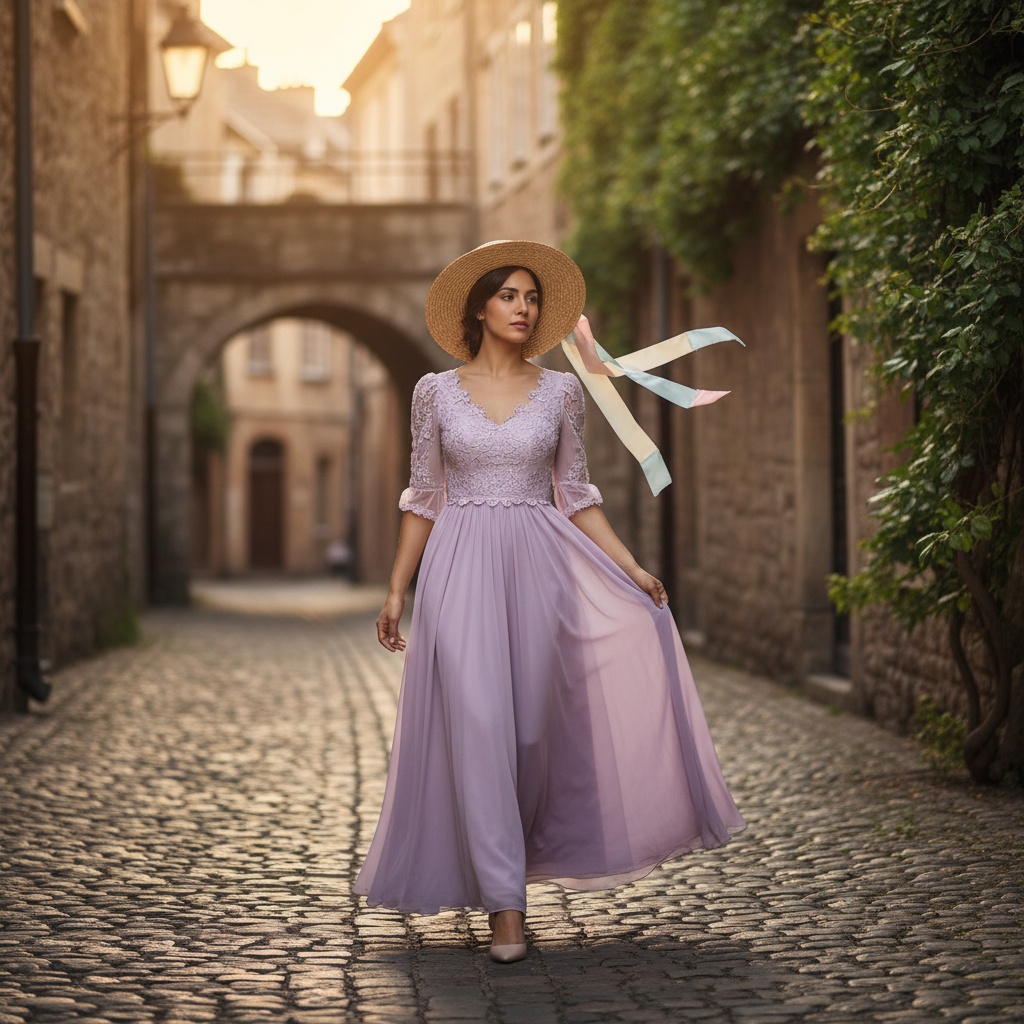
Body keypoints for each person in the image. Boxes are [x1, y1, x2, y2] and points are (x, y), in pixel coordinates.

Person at [353, 240, 745, 963]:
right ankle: (507, 914)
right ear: (478, 307)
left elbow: (576, 496)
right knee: (477, 725)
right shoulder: (433, 393)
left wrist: (630, 567)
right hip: (459, 567)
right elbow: (425, 496)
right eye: (509, 295)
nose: (523, 308)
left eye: (531, 298)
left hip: (541, 568)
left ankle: (513, 866)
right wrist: (396, 588)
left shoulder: (562, 391)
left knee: (530, 735)